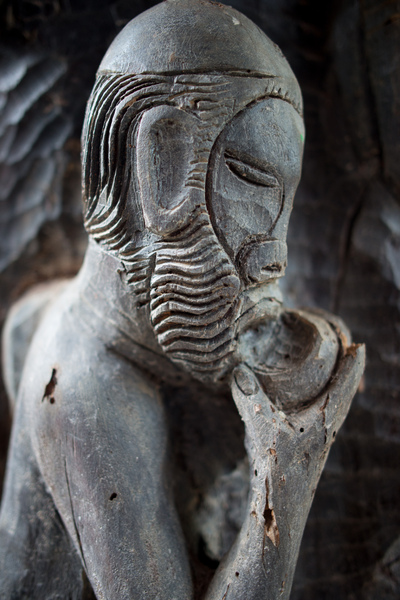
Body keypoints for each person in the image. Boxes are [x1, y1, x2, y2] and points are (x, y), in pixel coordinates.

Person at [0, 1, 364, 598]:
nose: (278, 256)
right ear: (160, 167)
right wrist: (287, 481)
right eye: (250, 180)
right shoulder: (87, 395)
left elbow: (25, 321)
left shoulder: (92, 324)